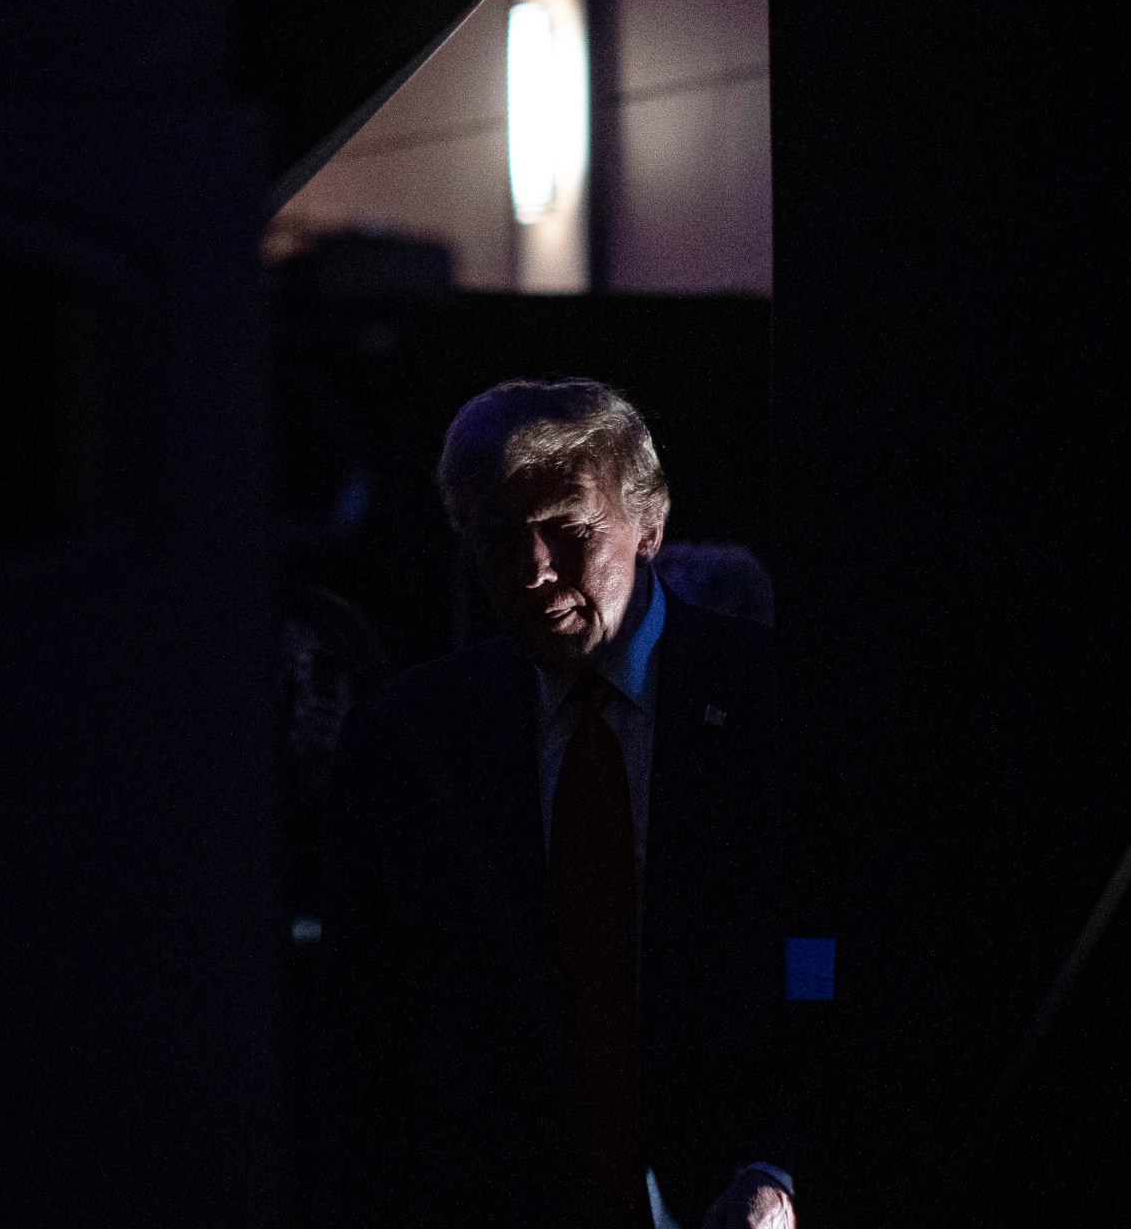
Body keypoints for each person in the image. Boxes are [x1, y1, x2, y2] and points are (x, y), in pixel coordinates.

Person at [319, 378, 797, 1229]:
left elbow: (833, 962)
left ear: (649, 526)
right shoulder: (415, 739)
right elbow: (371, 1020)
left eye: (568, 533)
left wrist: (781, 1165)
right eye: (502, 539)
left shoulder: (779, 705)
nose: (535, 571)